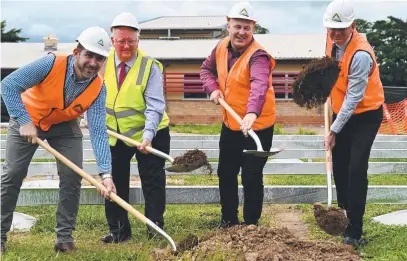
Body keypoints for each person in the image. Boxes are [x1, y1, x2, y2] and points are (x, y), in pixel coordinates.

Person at [0, 26, 116, 254]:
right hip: (28, 118)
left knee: (73, 174)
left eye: (99, 58)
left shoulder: (98, 88)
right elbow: (8, 85)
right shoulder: (50, 64)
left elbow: (99, 131)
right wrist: (24, 120)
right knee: (12, 174)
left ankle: (64, 238)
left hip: (63, 125)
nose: (93, 63)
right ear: (76, 53)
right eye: (89, 55)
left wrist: (106, 174)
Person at [200, 2, 276, 228]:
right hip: (231, 124)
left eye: (247, 28)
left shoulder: (258, 56)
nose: (241, 32)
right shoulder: (221, 47)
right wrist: (212, 88)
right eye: (237, 27)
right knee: (226, 172)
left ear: (254, 28)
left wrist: (252, 113)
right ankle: (229, 220)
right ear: (228, 25)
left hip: (258, 127)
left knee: (252, 176)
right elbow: (205, 70)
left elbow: (259, 85)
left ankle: (251, 223)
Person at [101, 12, 170, 243]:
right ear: (113, 41)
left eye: (131, 41)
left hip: (151, 133)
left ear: (138, 40)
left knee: (152, 182)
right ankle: (119, 232)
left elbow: (155, 106)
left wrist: (148, 137)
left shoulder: (150, 66)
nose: (126, 46)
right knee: (114, 181)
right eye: (121, 41)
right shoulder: (102, 60)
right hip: (115, 134)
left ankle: (155, 230)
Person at [323, 0, 384, 247]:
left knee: (356, 168)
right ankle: (342, 217)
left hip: (366, 115)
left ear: (353, 26)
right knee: (339, 167)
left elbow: (354, 98)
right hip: (341, 111)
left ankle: (355, 231)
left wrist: (334, 130)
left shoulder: (360, 55)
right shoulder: (331, 40)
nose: (336, 33)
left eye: (342, 29)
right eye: (331, 28)